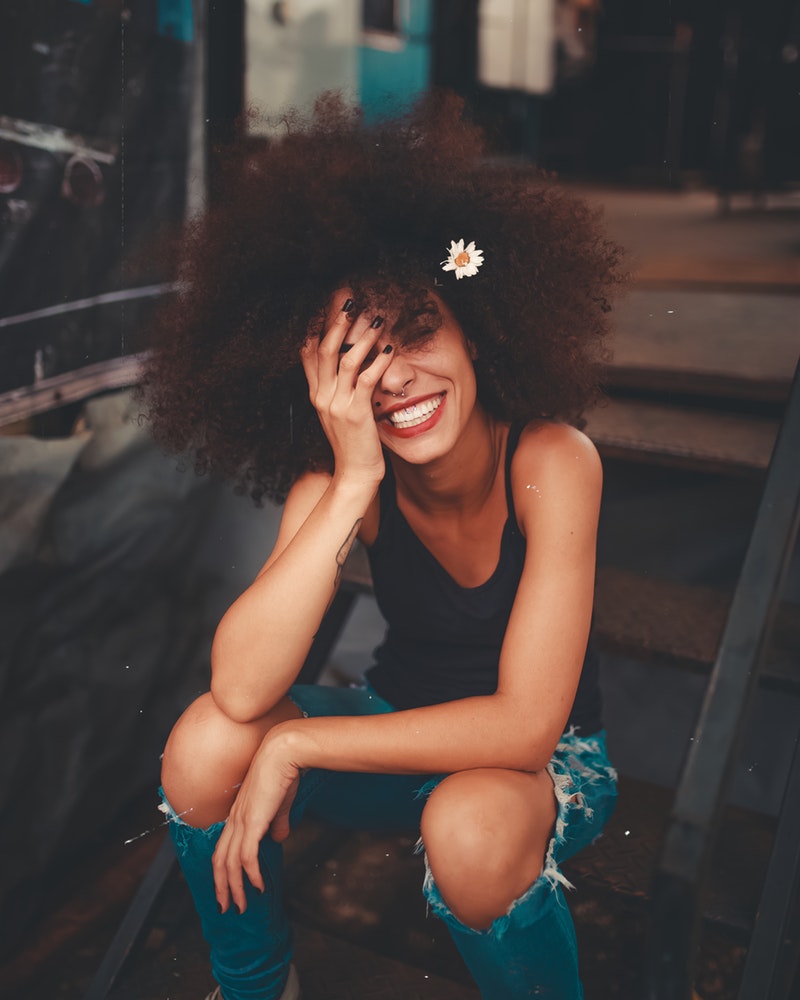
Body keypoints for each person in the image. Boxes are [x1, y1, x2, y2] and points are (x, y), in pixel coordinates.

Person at [143, 92, 624, 1000]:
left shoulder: (554, 461)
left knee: (471, 825)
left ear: (476, 327)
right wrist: (356, 477)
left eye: (416, 331)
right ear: (319, 374)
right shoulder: (337, 485)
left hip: (535, 769)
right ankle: (257, 987)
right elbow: (242, 689)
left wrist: (297, 750)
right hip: (391, 730)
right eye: (355, 356)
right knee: (209, 740)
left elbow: (525, 728)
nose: (394, 377)